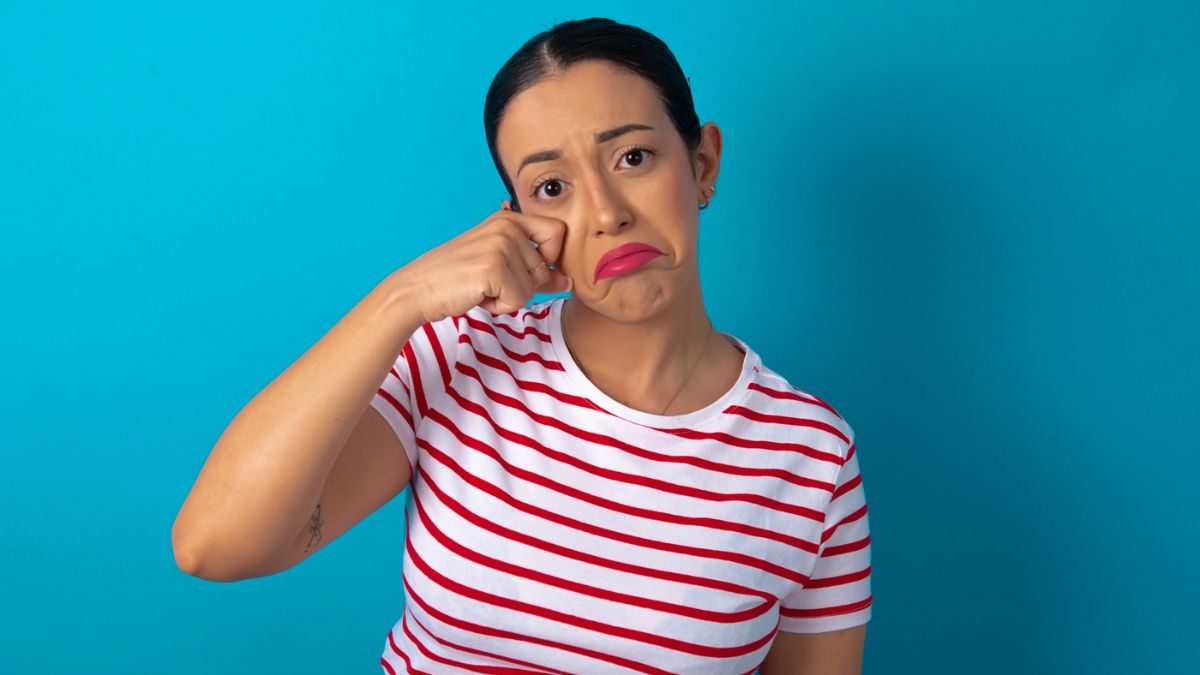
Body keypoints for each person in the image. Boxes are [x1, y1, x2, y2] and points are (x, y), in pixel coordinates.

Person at [172, 17, 872, 674]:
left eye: (633, 156)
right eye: (552, 186)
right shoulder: (458, 358)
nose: (605, 212)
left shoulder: (809, 454)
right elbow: (215, 545)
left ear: (704, 164)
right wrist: (400, 300)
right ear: (518, 223)